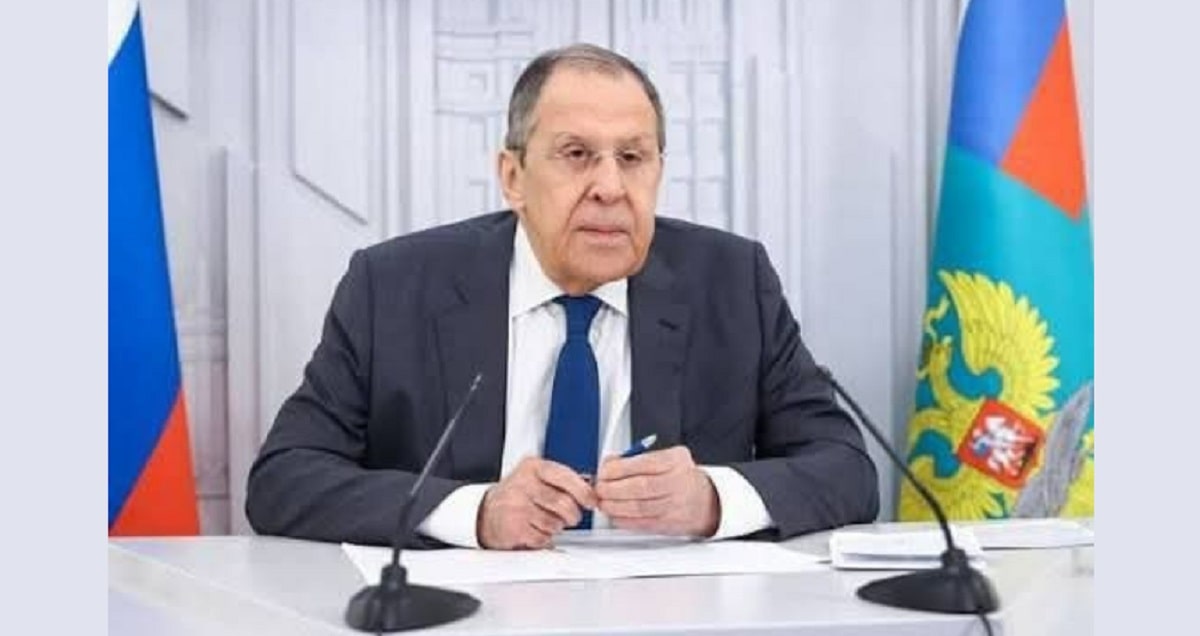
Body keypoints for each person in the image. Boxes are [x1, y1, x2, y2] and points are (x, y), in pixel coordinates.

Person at [246, 43, 879, 550]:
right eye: (577, 155)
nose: (610, 186)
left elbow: (847, 469)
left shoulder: (732, 282)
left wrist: (712, 499)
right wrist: (477, 513)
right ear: (513, 177)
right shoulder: (394, 285)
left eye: (632, 157)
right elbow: (284, 479)